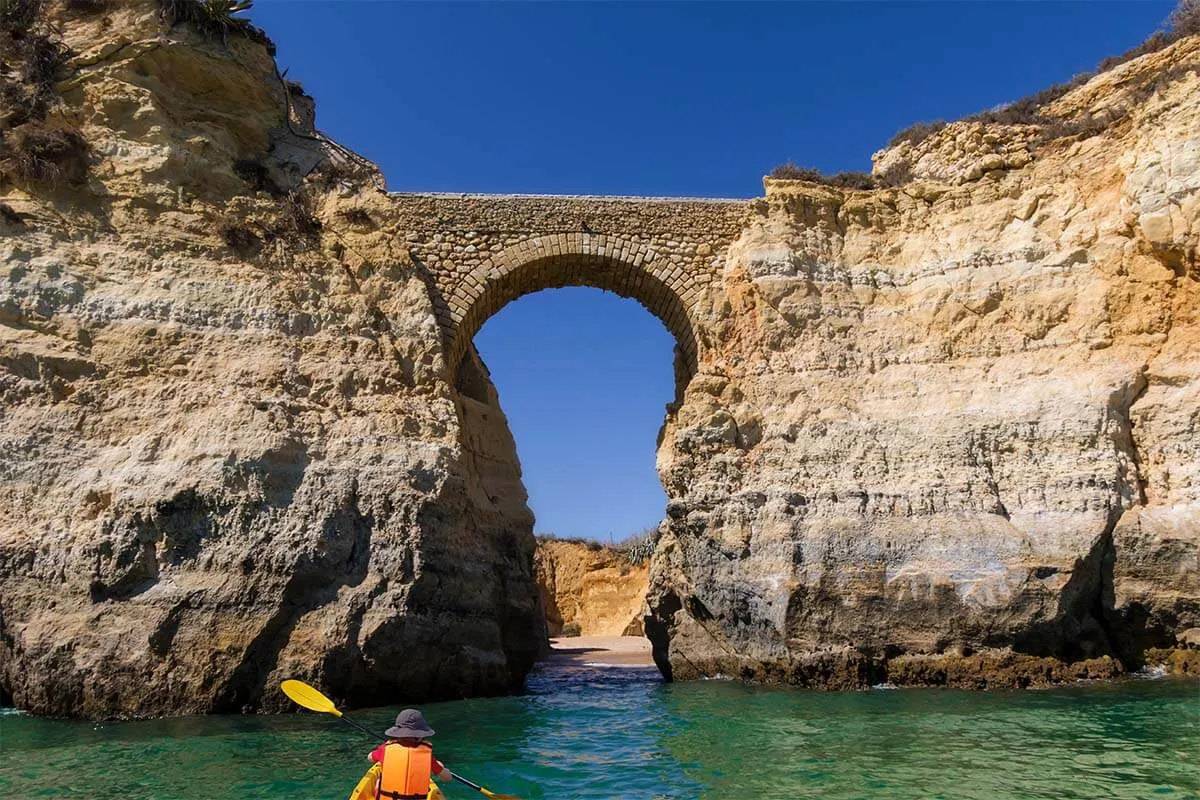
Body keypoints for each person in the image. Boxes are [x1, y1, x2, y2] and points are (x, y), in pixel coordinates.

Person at [368, 709, 455, 800]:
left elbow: (370, 757)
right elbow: (447, 778)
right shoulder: (426, 756)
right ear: (421, 734)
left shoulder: (385, 749)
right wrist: (441, 766)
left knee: (378, 781)